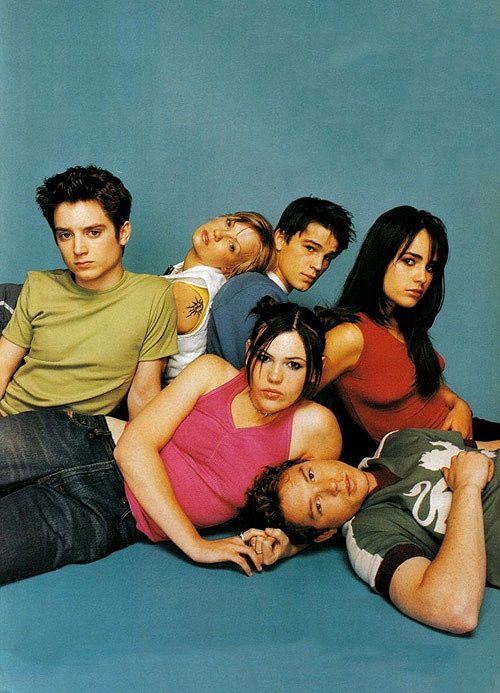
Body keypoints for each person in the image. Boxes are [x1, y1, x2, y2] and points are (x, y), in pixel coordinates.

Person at [0, 298, 342, 585]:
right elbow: (133, 447)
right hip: (83, 441)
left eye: (294, 365)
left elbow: (310, 520)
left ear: (315, 370)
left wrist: (283, 547)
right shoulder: (211, 373)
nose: (275, 376)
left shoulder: (316, 428)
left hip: (109, 514)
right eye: (265, 357)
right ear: (250, 351)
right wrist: (195, 545)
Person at [240, 428, 499, 634]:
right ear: (323, 534)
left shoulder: (398, 440)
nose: (332, 485)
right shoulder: (368, 536)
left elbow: (488, 448)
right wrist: (467, 487)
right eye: (318, 505)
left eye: (311, 474)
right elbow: (455, 610)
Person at [315, 205, 499, 461]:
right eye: (409, 261)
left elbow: (428, 385)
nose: (422, 277)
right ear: (379, 258)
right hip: (437, 458)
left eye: (430, 267)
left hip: (463, 432)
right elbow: (285, 400)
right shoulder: (350, 335)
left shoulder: (402, 324)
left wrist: (460, 405)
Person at [0, 165, 177, 418]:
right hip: (10, 421)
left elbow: (144, 393)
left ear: (123, 232)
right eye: (65, 235)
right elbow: (2, 367)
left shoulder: (154, 295)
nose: (78, 249)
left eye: (93, 233)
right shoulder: (38, 285)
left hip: (71, 433)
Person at [206, 196, 355, 369]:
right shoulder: (255, 291)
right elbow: (254, 378)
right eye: (310, 248)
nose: (318, 265)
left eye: (328, 257)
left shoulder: (258, 288)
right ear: (280, 238)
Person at [162, 211, 274, 383]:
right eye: (228, 223)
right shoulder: (192, 277)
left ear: (230, 268)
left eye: (232, 246)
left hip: (162, 400)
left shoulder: (190, 291)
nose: (218, 234)